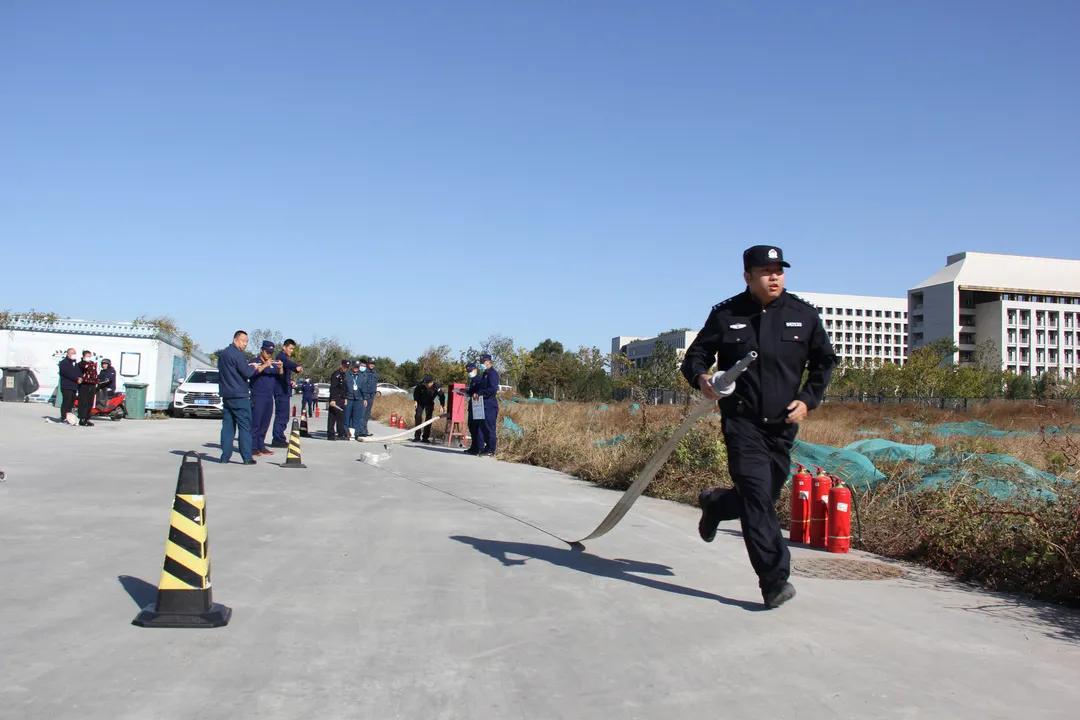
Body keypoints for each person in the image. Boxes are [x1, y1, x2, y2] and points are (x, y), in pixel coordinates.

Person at [680, 245, 836, 609]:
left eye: (779, 270)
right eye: (766, 271)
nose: (775, 276)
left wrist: (809, 399)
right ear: (748, 276)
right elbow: (696, 357)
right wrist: (702, 378)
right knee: (756, 498)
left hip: (782, 428)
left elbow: (824, 362)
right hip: (742, 424)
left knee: (762, 499)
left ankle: (717, 503)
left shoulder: (803, 315)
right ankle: (774, 580)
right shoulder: (727, 314)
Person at [217, 330, 276, 465]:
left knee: (228, 427)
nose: (245, 344)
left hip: (226, 395)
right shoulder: (237, 355)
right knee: (245, 427)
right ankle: (247, 457)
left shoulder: (223, 354)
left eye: (246, 342)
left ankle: (225, 457)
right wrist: (262, 366)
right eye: (243, 341)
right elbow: (248, 373)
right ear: (235, 340)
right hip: (239, 395)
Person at [249, 341, 283, 457]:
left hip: (269, 396)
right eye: (268, 352)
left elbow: (279, 374)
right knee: (256, 423)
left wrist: (280, 368)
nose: (269, 355)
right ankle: (252, 447)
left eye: (271, 353)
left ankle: (261, 445)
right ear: (262, 350)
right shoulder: (254, 361)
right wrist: (265, 365)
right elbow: (252, 373)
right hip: (258, 396)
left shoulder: (272, 363)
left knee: (265, 423)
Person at [271, 339, 304, 448]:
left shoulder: (285, 357)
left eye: (293, 349)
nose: (291, 350)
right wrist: (296, 367)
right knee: (282, 416)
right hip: (280, 391)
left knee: (284, 416)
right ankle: (277, 439)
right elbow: (288, 363)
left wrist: (290, 382)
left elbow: (283, 376)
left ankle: (279, 437)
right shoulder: (281, 357)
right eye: (290, 348)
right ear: (284, 347)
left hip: (285, 389)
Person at [471, 353, 500, 457]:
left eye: (483, 362)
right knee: (483, 427)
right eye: (481, 362)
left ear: (488, 361)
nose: (482, 364)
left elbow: (492, 389)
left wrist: (479, 393)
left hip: (490, 404)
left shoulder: (493, 373)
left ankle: (491, 449)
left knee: (489, 427)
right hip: (483, 404)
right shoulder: (485, 374)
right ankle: (485, 448)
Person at [412, 375, 446, 443]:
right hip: (420, 402)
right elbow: (416, 393)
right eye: (425, 383)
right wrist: (415, 401)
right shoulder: (421, 385)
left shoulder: (436, 387)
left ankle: (425, 437)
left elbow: (442, 396)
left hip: (429, 402)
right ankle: (417, 436)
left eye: (427, 383)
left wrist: (442, 406)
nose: (426, 385)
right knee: (418, 416)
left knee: (428, 419)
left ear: (432, 382)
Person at [462, 362, 483, 455]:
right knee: (471, 427)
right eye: (467, 371)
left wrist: (473, 393)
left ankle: (479, 448)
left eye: (470, 370)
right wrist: (464, 392)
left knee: (477, 428)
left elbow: (479, 391)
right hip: (472, 406)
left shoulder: (479, 379)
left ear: (475, 369)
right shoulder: (472, 380)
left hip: (478, 407)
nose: (469, 372)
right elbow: (471, 392)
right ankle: (473, 448)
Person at [57, 347, 81, 423]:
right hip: (66, 386)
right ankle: (63, 417)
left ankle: (69, 417)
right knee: (66, 402)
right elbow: (66, 373)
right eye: (72, 353)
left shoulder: (75, 363)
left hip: (74, 386)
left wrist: (80, 377)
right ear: (68, 354)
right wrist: (76, 378)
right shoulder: (63, 363)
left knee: (71, 402)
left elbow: (79, 372)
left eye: (74, 353)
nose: (73, 355)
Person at [327, 359, 349, 440]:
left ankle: (341, 434)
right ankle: (330, 435)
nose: (345, 368)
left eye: (347, 367)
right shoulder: (336, 374)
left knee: (340, 417)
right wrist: (332, 399)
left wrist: (345, 398)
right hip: (335, 398)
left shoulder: (343, 375)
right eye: (344, 366)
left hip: (341, 398)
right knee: (332, 418)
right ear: (341, 365)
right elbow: (333, 387)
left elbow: (344, 388)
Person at [76, 350, 98, 427]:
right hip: (84, 385)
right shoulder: (80, 364)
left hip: (92, 384)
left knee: (89, 403)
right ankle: (82, 418)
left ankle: (87, 418)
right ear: (83, 356)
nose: (89, 357)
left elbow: (94, 372)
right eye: (87, 356)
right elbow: (82, 370)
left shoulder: (92, 363)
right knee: (83, 402)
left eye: (89, 356)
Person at [357, 357, 378, 437]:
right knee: (362, 414)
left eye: (373, 364)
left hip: (371, 396)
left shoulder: (375, 373)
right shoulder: (363, 372)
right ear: (367, 364)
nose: (372, 365)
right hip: (364, 396)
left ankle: (365, 430)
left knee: (367, 415)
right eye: (370, 363)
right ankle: (360, 431)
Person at [344, 360, 365, 439]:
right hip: (349, 398)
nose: (356, 368)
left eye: (357, 367)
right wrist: (344, 397)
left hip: (358, 399)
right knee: (347, 416)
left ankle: (356, 433)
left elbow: (364, 388)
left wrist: (365, 398)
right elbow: (344, 387)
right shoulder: (347, 375)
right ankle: (346, 433)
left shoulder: (361, 376)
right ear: (352, 367)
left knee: (357, 417)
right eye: (355, 367)